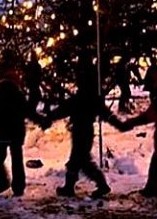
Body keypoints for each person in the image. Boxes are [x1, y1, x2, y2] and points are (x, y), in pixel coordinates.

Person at [49, 57, 122, 198]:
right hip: (84, 129)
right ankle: (70, 187)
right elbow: (104, 112)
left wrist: (49, 118)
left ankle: (101, 185)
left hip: (81, 130)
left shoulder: (84, 95)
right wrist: (118, 123)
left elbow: (65, 108)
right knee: (76, 160)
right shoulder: (91, 95)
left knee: (81, 161)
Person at [0, 63, 48, 196]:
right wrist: (41, 120)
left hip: (2, 132)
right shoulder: (18, 96)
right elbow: (28, 111)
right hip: (16, 132)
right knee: (17, 158)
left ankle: (2, 182)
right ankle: (18, 186)